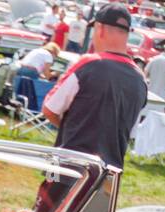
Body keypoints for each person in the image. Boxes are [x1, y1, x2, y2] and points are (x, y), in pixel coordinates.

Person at [41, 3, 146, 181]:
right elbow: (130, 131)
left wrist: (71, 128)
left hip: (68, 168)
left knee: (47, 209)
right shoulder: (140, 79)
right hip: (108, 177)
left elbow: (49, 108)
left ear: (100, 29)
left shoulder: (89, 63)